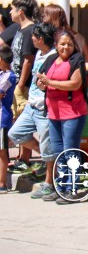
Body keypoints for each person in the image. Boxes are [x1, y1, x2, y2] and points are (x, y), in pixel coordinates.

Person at [35, 29, 88, 204]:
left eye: (69, 44)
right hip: (54, 113)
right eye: (62, 44)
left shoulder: (77, 60)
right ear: (56, 45)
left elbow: (75, 84)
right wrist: (41, 83)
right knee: (58, 152)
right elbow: (40, 82)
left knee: (70, 151)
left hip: (73, 113)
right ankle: (61, 188)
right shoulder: (51, 59)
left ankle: (72, 189)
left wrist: (50, 82)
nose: (66, 47)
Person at [8, 24, 58, 199]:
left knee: (48, 147)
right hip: (31, 106)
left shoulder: (53, 57)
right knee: (16, 134)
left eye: (34, 37)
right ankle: (46, 158)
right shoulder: (39, 53)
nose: (32, 39)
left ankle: (49, 183)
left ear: (41, 39)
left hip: (44, 109)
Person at [8, 0, 37, 169]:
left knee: (22, 120)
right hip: (17, 81)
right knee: (17, 118)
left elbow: (28, 60)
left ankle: (25, 159)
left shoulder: (29, 30)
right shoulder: (19, 29)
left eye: (12, 9)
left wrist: (20, 85)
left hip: (24, 84)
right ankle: (21, 157)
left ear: (20, 12)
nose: (9, 13)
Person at [0, 46, 16, 193]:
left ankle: (2, 184)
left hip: (2, 118)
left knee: (2, 151)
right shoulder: (2, 74)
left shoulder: (9, 76)